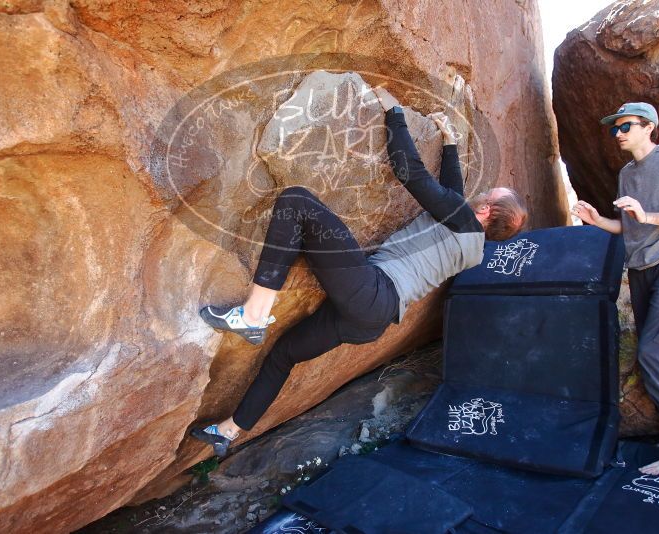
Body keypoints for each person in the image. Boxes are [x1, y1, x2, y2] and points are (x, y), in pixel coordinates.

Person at [191, 86, 528, 457]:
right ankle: (229, 430)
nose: (482, 194)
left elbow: (411, 172)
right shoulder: (471, 247)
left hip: (373, 290)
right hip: (370, 321)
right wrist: (449, 143)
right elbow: (452, 193)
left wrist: (394, 111)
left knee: (296, 201)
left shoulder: (460, 216)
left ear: (486, 212)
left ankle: (254, 314)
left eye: (490, 195)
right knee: (284, 354)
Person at [572, 102, 659, 476]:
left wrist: (648, 214)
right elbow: (628, 227)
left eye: (626, 126)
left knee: (653, 351)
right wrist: (597, 220)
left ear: (648, 127)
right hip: (640, 270)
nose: (618, 134)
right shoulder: (626, 175)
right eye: (615, 128)